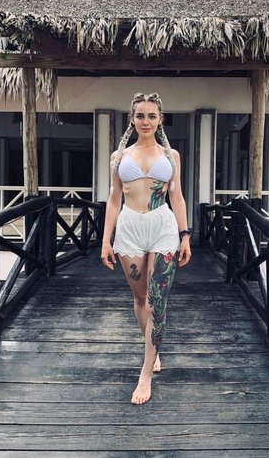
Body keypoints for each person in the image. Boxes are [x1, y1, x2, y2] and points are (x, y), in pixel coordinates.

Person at [101, 92, 191, 405]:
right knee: (140, 298)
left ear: (160, 120)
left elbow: (177, 197)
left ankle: (145, 372)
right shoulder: (119, 156)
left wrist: (185, 235)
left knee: (157, 301)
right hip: (129, 228)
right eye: (140, 115)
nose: (146, 121)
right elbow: (114, 199)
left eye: (152, 116)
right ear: (132, 119)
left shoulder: (170, 156)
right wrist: (106, 240)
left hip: (162, 226)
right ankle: (152, 348)